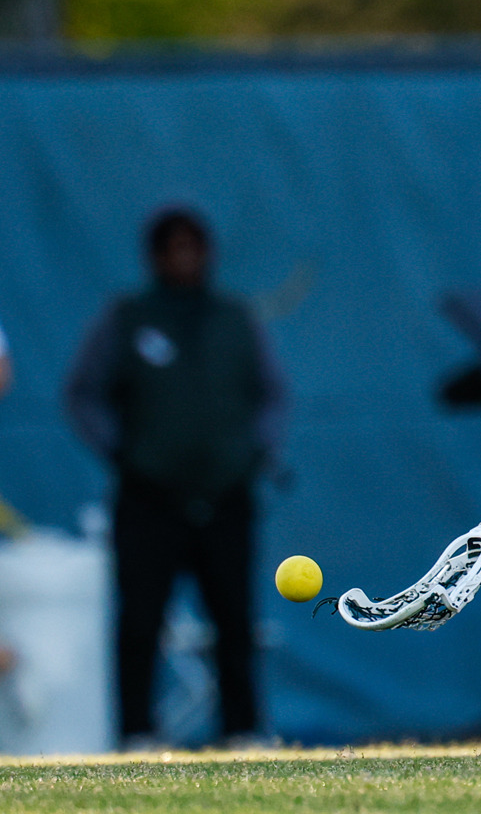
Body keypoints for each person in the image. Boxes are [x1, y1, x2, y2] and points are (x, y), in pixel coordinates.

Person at [66, 208, 285, 749]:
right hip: (149, 498)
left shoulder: (235, 317)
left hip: (225, 495)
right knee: (140, 622)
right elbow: (84, 394)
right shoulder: (128, 317)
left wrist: (253, 451)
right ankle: (137, 731)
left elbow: (273, 393)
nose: (186, 258)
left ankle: (243, 731)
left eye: (195, 247)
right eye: (175, 248)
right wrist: (123, 452)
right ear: (156, 256)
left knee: (234, 620)